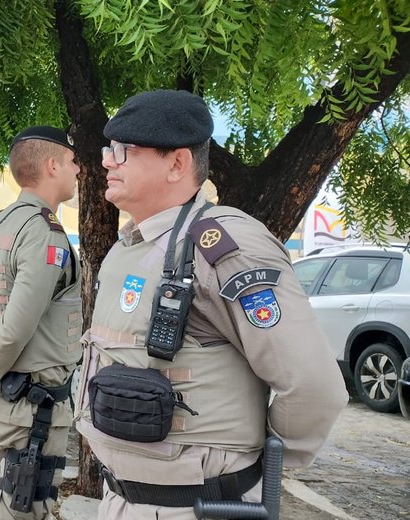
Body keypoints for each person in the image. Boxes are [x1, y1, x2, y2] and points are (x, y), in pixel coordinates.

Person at [75, 89, 349, 519]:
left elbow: (314, 386)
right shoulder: (131, 245)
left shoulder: (222, 247)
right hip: (121, 500)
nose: (108, 160)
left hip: (196, 507)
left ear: (178, 163)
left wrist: (262, 473)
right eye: (110, 149)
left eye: (124, 151)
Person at [0, 127, 82, 520]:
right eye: (74, 162)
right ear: (53, 165)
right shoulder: (44, 233)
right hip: (29, 412)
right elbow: (16, 327)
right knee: (23, 509)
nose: (78, 170)